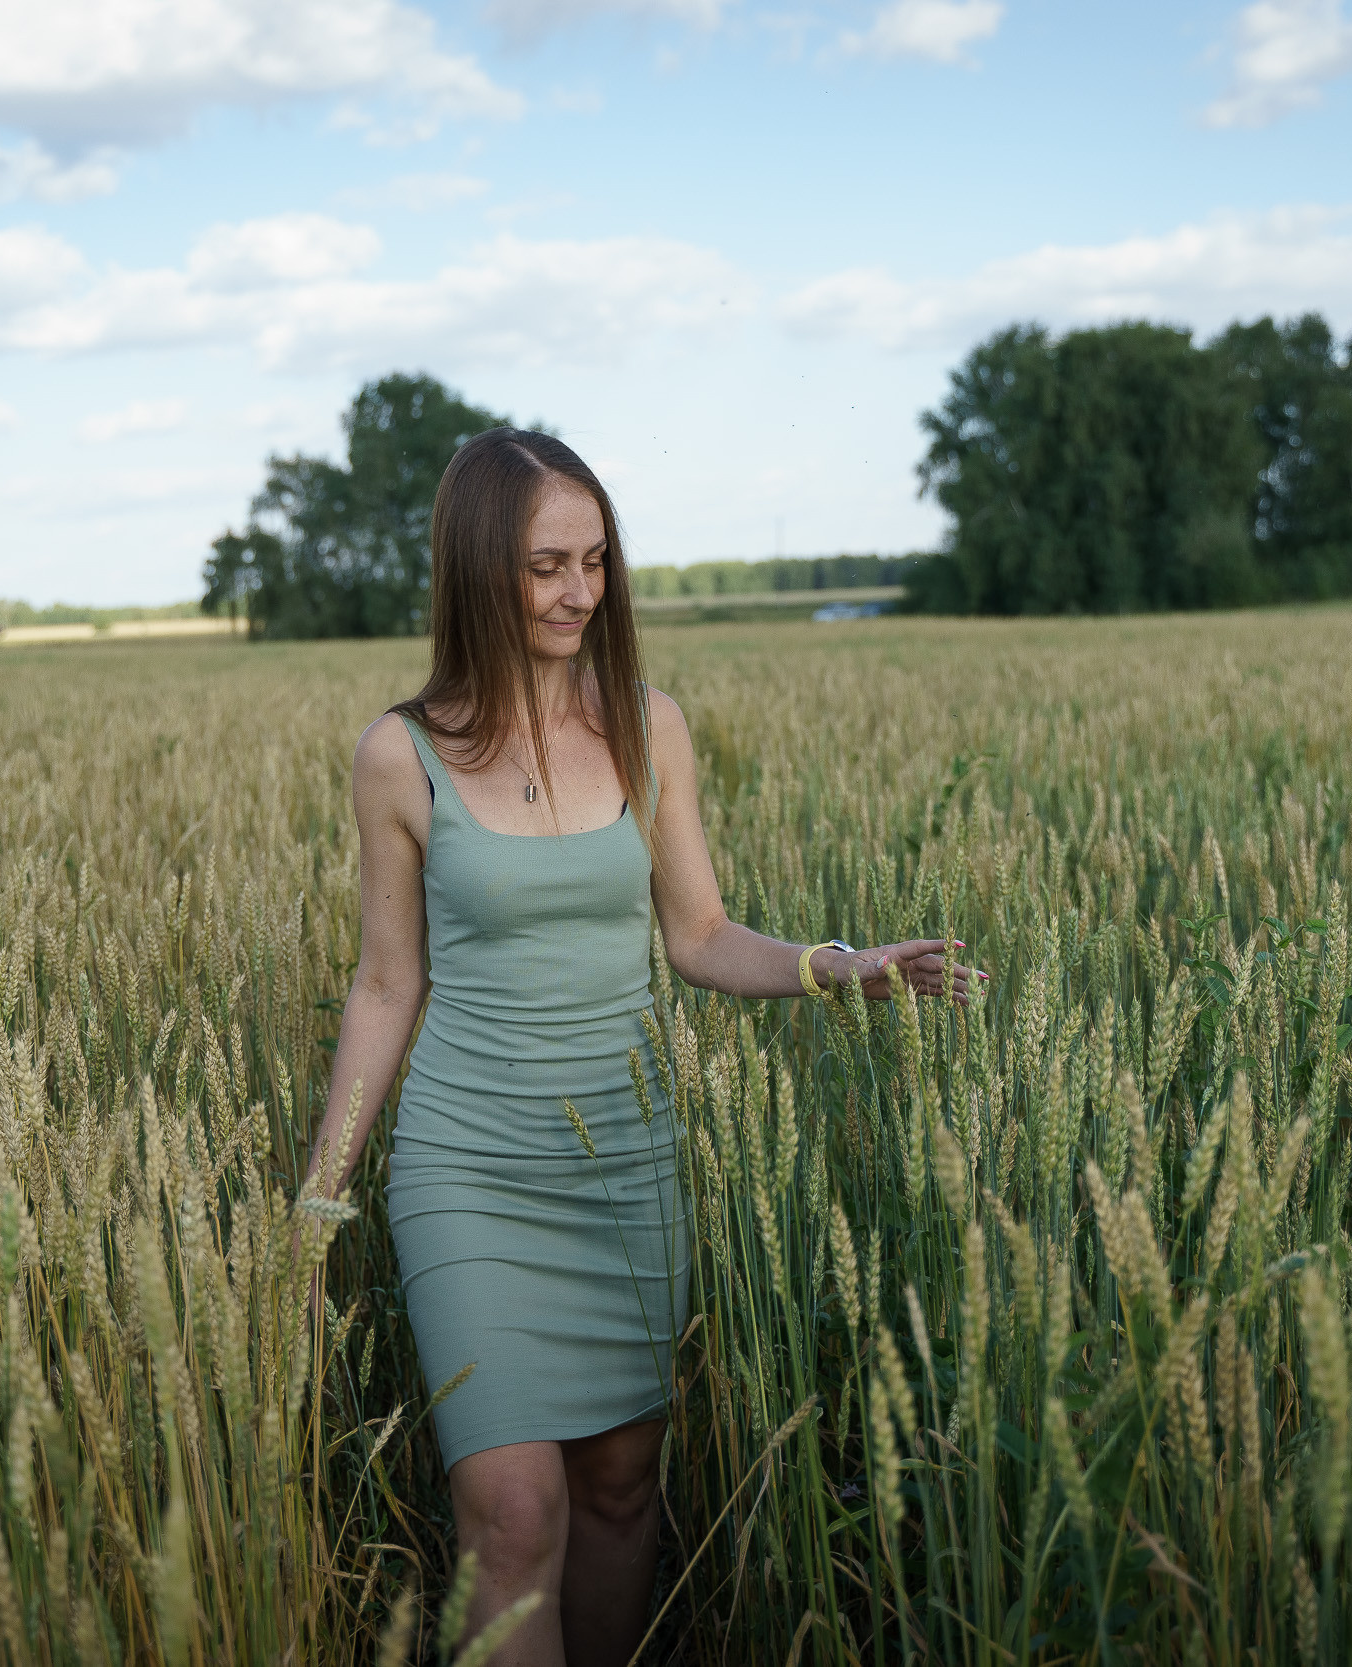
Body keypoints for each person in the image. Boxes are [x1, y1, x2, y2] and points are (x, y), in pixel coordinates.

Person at [302, 427, 981, 1666]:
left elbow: (702, 932)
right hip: (470, 1169)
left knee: (620, 1491)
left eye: (597, 562)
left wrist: (840, 967)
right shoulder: (400, 754)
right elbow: (387, 985)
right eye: (546, 565)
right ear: (474, 570)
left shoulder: (644, 723)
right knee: (514, 1511)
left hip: (626, 1156)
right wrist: (320, 1191)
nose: (579, 594)